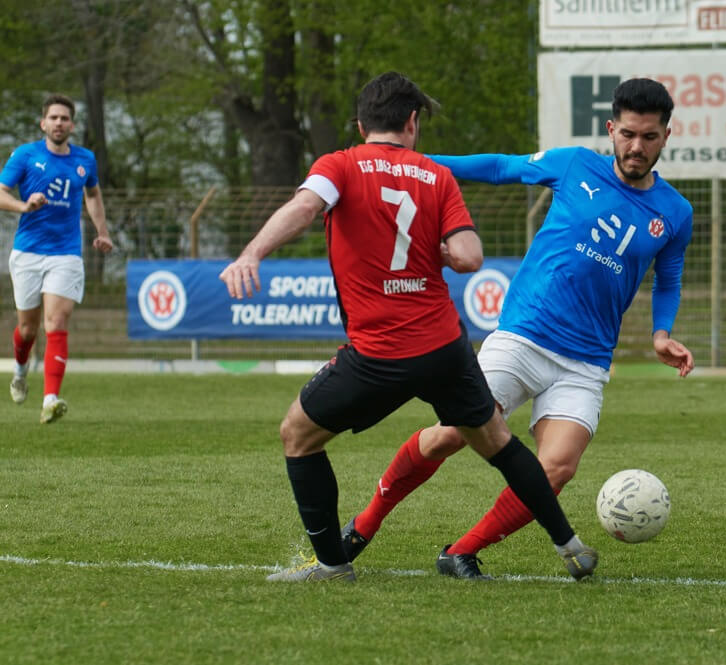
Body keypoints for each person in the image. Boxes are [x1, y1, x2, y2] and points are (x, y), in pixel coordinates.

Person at [218, 72, 597, 583]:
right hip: (445, 347)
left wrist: (252, 253)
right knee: (497, 441)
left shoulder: (340, 165)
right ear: (412, 122)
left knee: (298, 435)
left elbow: (306, 208)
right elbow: (469, 256)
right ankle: (568, 544)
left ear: (360, 124)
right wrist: (432, 252)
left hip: (379, 353)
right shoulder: (435, 176)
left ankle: (333, 564)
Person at [340, 77, 695, 579]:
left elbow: (669, 278)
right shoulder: (574, 164)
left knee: (558, 468)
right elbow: (502, 167)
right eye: (629, 134)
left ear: (666, 136)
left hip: (586, 362)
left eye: (650, 137)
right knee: (449, 436)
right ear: (612, 129)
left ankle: (460, 551)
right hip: (523, 338)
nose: (637, 147)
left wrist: (661, 333)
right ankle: (364, 524)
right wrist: (418, 166)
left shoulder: (676, 213)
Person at [0, 94, 113, 423]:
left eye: (65, 118)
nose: (59, 123)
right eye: (54, 118)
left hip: (65, 253)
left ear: (72, 125)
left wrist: (102, 230)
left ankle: (50, 398)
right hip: (28, 252)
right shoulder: (25, 155)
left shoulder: (85, 160)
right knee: (27, 328)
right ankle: (20, 369)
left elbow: (92, 194)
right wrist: (24, 206)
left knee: (57, 323)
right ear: (43, 123)